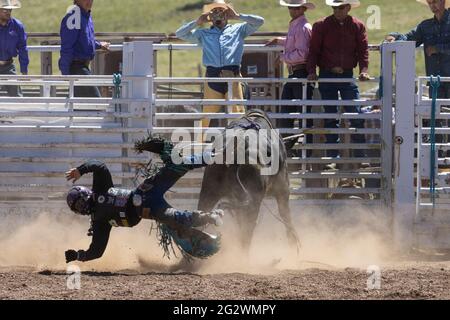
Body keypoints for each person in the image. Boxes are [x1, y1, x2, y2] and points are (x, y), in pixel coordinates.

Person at [64, 136, 224, 263]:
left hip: (145, 191)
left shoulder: (101, 188)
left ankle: (213, 156)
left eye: (80, 202)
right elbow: (96, 251)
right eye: (77, 208)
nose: (81, 207)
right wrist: (78, 256)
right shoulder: (99, 222)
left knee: (177, 167)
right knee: (176, 218)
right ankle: (210, 216)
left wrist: (81, 170)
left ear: (86, 193)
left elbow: (99, 166)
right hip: (147, 210)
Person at [175, 0, 264, 128]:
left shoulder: (238, 29)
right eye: (214, 12)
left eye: (221, 11)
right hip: (213, 77)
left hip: (232, 76)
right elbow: (180, 33)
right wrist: (197, 22)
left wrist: (238, 16)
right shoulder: (204, 33)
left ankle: (239, 143)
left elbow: (260, 21)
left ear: (227, 13)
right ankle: (201, 143)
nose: (218, 15)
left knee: (237, 113)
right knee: (207, 114)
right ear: (210, 16)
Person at [307, 0, 370, 164]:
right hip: (327, 74)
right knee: (330, 116)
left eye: (340, 7)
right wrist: (312, 71)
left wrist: (364, 70)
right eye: (334, 7)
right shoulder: (321, 25)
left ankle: (358, 154)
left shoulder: (357, 26)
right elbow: (313, 50)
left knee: (355, 114)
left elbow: (363, 49)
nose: (337, 10)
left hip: (346, 74)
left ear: (348, 7)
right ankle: (333, 155)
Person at [386, 0, 450, 157]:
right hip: (436, 82)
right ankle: (441, 157)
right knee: (438, 119)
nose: (433, 5)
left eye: (435, 1)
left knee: (441, 117)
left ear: (443, 2)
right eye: (430, 2)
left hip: (441, 80)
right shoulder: (425, 26)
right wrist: (394, 37)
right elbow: (409, 37)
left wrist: (438, 48)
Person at [267, 0, 315, 155]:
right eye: (291, 7)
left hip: (300, 72)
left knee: (297, 114)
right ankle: (290, 149)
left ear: (303, 8)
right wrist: (280, 41)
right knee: (292, 112)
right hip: (296, 73)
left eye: (295, 8)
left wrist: (282, 57)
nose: (292, 10)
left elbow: (302, 53)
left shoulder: (302, 27)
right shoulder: (298, 25)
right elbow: (295, 43)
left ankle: (298, 151)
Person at [59, 0, 110, 97]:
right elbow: (67, 47)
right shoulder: (75, 17)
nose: (89, 1)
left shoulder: (84, 16)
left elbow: (84, 41)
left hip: (81, 68)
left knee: (83, 106)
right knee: (96, 104)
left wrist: (99, 45)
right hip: (77, 68)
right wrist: (66, 73)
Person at [0, 0, 28, 97]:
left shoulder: (17, 26)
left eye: (10, 10)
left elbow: (23, 48)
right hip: (8, 66)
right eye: (5, 10)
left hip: (8, 66)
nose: (8, 12)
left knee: (17, 97)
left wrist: (24, 70)